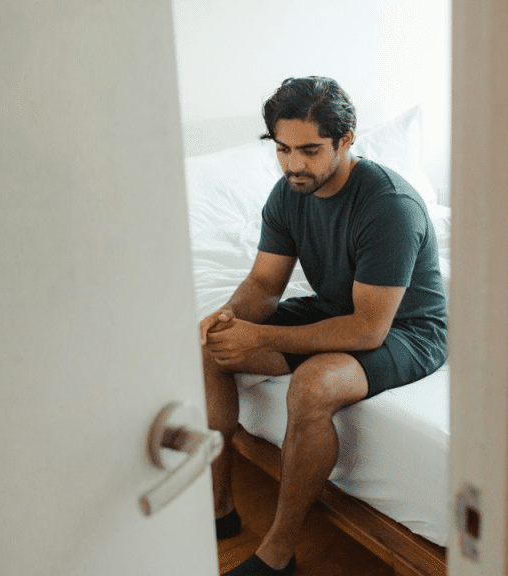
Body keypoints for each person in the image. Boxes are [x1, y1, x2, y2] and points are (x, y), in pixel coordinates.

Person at [201, 76, 447, 576]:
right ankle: (218, 509)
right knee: (209, 348)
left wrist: (262, 336)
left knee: (314, 385)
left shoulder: (388, 207)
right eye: (283, 149)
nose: (294, 164)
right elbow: (266, 283)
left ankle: (278, 553)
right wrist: (230, 320)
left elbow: (366, 332)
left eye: (310, 150)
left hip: (407, 329)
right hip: (338, 308)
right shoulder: (289, 191)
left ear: (346, 139)